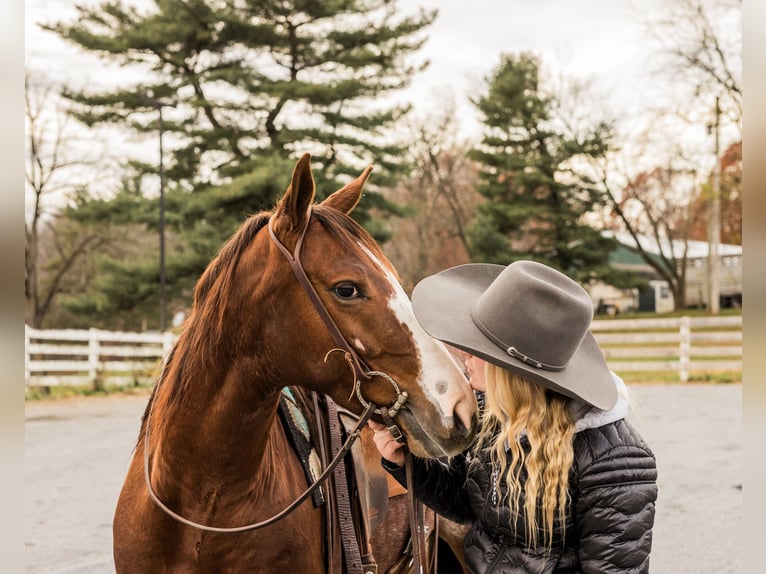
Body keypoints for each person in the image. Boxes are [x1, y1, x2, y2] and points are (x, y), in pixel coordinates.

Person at [370, 260, 657, 573]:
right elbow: (470, 505)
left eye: (475, 347)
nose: (464, 355)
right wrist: (405, 462)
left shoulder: (614, 463)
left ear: (510, 371)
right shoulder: (496, 417)